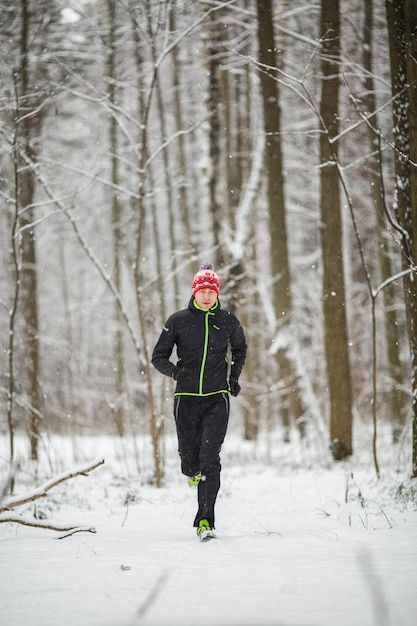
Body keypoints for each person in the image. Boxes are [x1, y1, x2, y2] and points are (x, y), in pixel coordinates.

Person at [151, 262, 247, 541]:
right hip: (187, 397)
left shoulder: (228, 320)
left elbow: (240, 348)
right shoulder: (177, 320)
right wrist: (175, 372)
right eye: (202, 291)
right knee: (190, 462)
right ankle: (191, 471)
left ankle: (206, 521)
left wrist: (234, 377)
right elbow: (158, 357)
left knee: (210, 459)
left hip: (217, 398)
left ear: (217, 293)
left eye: (211, 291)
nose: (207, 296)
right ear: (194, 292)